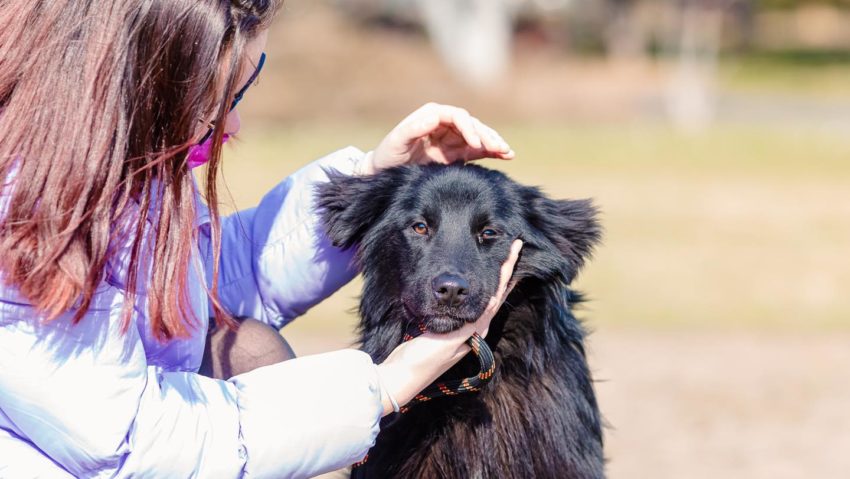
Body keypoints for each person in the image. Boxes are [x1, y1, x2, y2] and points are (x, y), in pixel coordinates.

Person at [0, 1, 523, 478]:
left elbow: (203, 283)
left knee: (246, 348)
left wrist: (366, 185)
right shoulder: (23, 213)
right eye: (219, 98)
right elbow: (127, 441)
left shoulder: (110, 166)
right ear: (137, 82)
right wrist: (380, 388)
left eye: (245, 90)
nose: (234, 122)